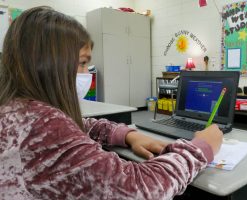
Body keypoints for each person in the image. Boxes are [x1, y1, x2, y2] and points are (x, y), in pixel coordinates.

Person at [0, 6, 223, 200]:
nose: (87, 73)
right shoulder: (41, 125)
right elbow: (140, 190)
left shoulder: (16, 110)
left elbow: (79, 126)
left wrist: (127, 135)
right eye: (82, 63)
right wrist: (200, 148)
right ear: (51, 65)